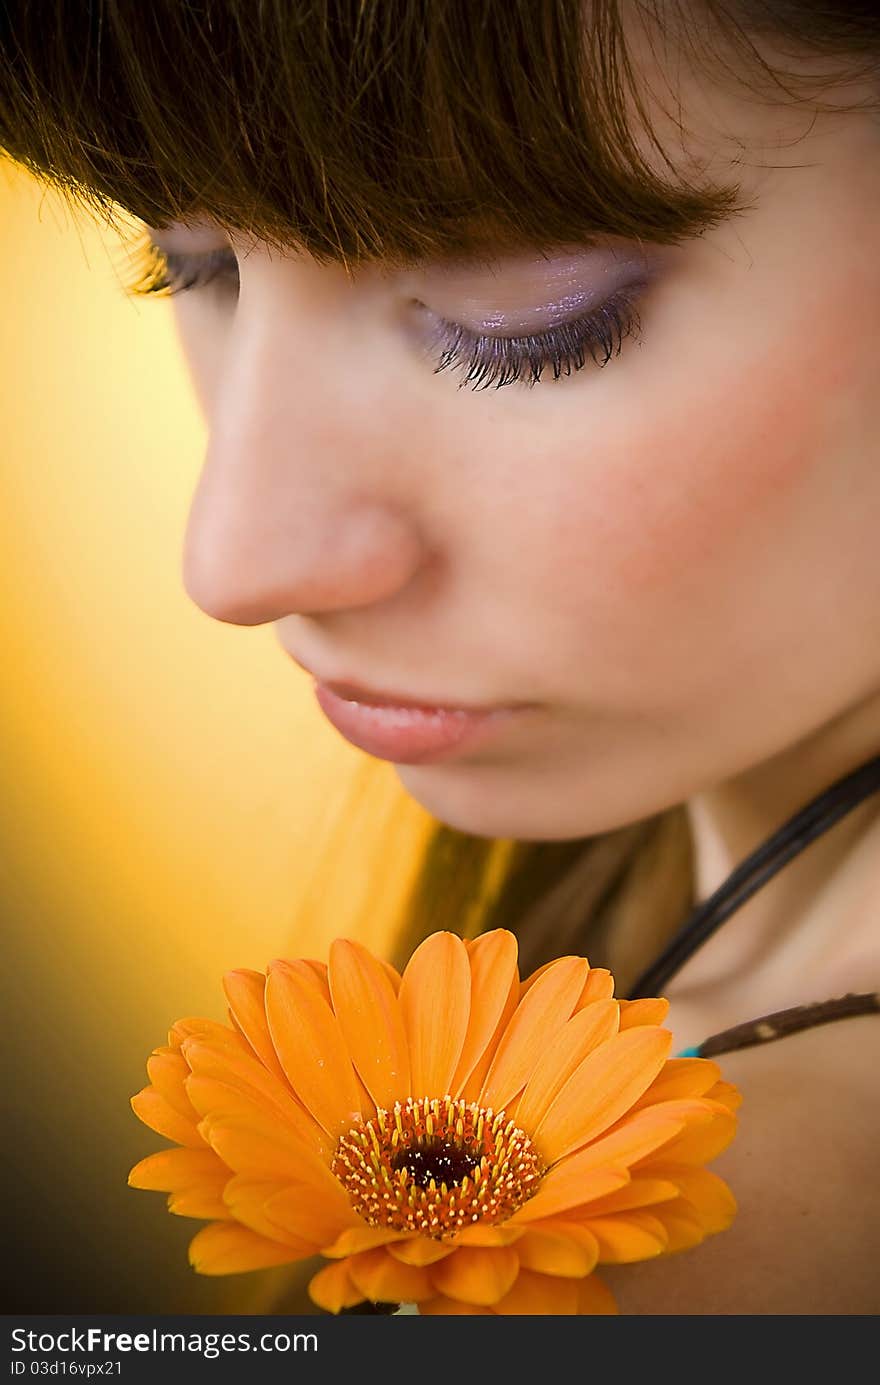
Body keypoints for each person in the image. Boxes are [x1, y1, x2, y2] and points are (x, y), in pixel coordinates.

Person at [1, 2, 878, 1315]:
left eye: (519, 316)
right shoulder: (644, 987)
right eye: (194, 268)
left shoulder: (675, 1257)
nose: (234, 560)